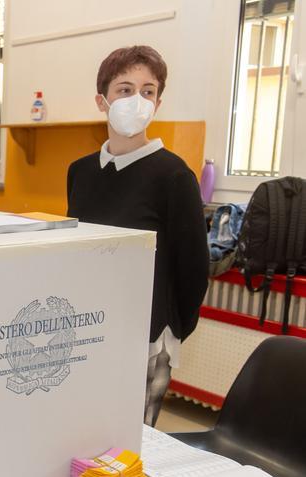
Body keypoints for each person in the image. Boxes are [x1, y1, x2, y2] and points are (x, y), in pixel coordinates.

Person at [66, 46, 208, 427]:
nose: (137, 100)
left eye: (148, 91)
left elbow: (193, 266)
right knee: (81, 436)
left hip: (147, 334)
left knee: (131, 446)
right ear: (102, 100)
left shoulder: (174, 176)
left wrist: (171, 331)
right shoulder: (80, 172)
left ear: (158, 103)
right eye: (125, 89)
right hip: (90, 328)